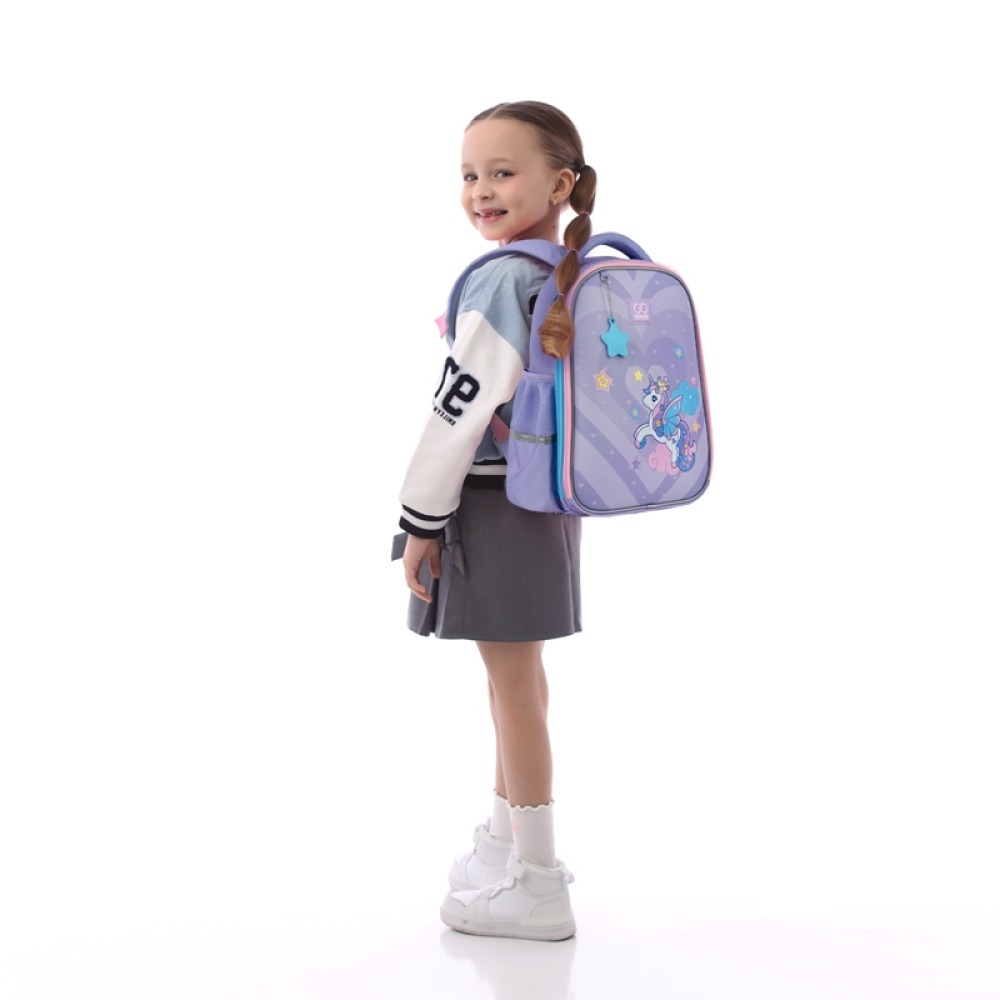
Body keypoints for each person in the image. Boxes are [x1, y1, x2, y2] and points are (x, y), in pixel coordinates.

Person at [392, 100, 597, 942]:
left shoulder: (503, 280)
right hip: (549, 499)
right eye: (470, 174)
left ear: (560, 183)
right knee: (519, 680)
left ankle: (539, 884)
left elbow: (459, 412)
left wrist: (420, 521)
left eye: (502, 172)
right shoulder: (568, 268)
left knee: (513, 690)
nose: (481, 189)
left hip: (492, 503)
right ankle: (503, 844)